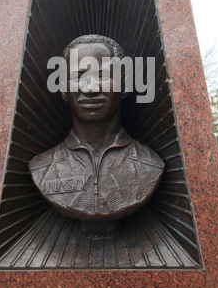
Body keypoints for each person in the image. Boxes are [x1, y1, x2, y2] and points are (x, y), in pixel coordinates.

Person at [29, 35, 165, 236]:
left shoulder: (149, 165)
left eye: (102, 75)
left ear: (123, 85)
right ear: (65, 89)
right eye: (78, 77)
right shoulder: (42, 167)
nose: (90, 88)